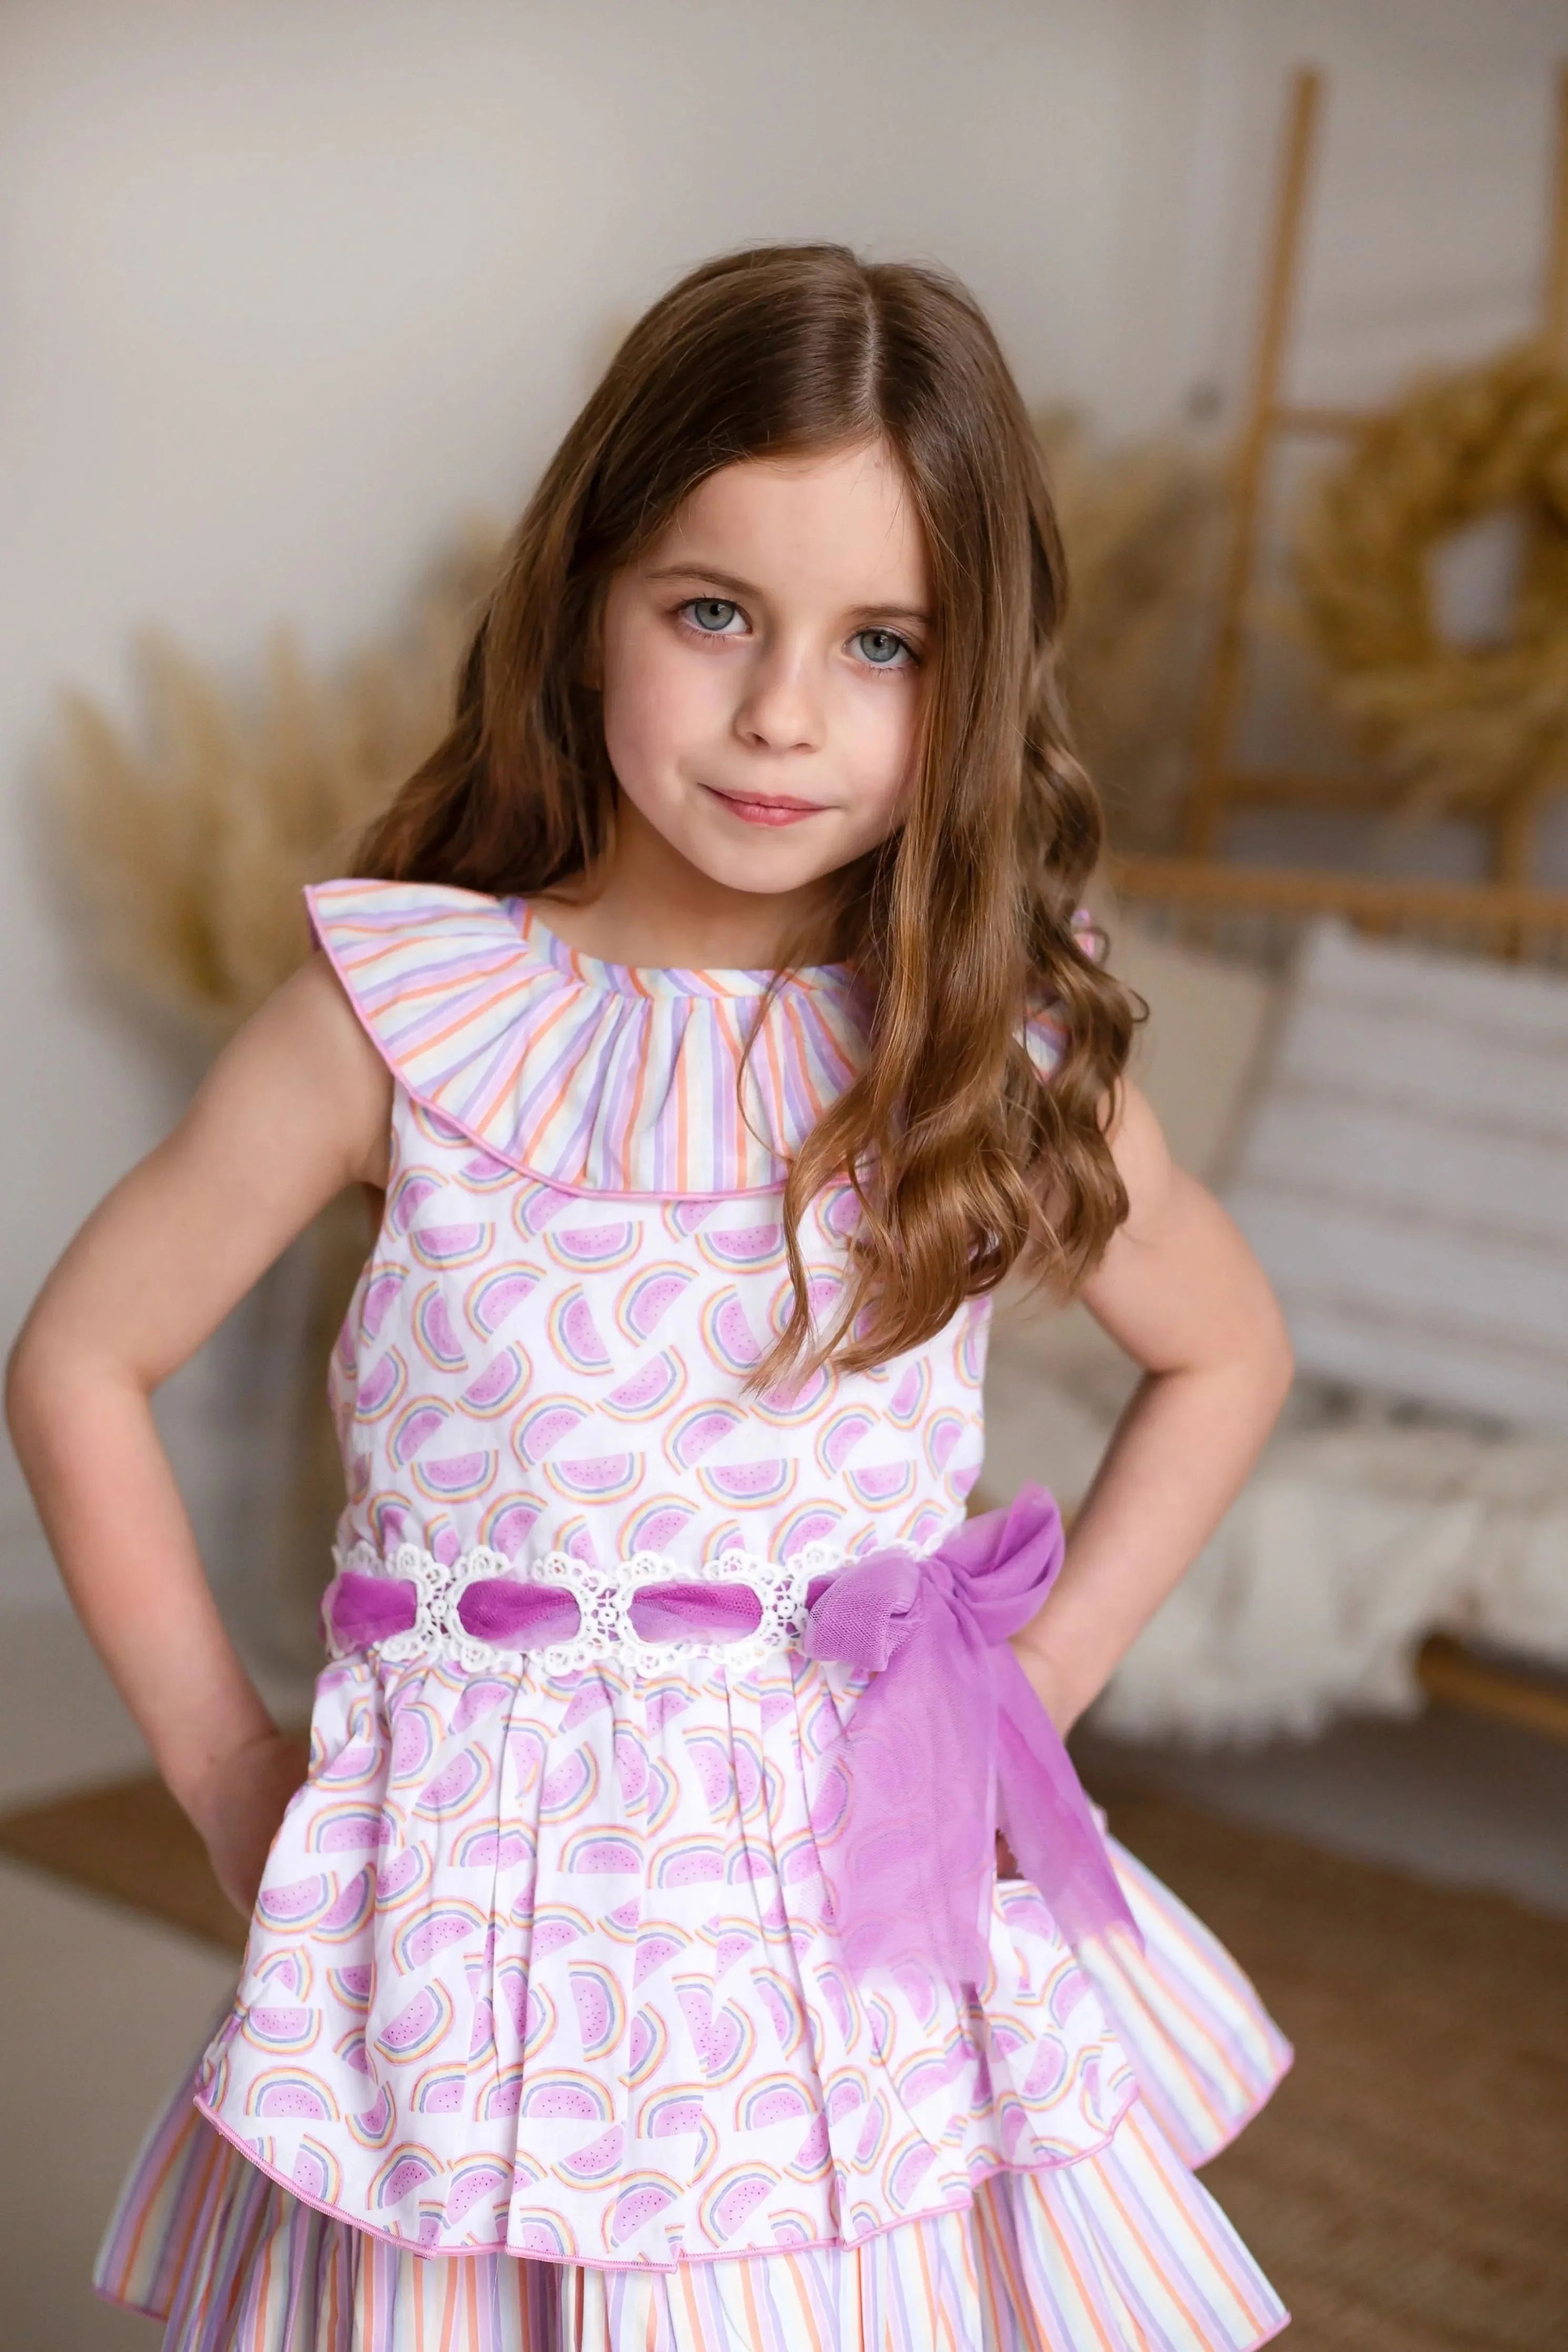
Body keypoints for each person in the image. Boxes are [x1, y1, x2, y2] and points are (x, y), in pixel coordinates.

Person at [7, 244, 1294, 2351]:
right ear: (586, 594)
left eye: (882, 643)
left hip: (839, 1923)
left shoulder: (970, 1035)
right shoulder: (405, 1013)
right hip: (479, 1927)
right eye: (715, 613)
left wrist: (1026, 1690)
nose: (785, 710)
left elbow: (1220, 1342)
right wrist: (234, 1767)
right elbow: (78, 1353)